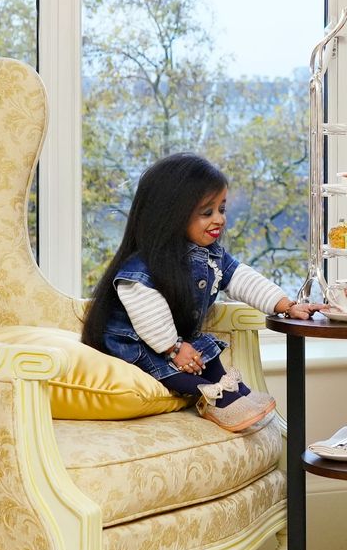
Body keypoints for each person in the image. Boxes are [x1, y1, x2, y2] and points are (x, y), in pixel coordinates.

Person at [82, 152, 322, 433]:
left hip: (175, 341)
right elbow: (150, 315)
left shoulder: (210, 256)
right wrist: (173, 349)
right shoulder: (141, 269)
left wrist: (285, 304)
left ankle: (231, 392)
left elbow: (243, 279)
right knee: (187, 373)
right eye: (207, 213)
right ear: (171, 216)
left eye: (222, 209)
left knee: (207, 354)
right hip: (139, 346)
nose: (219, 219)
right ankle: (218, 396)